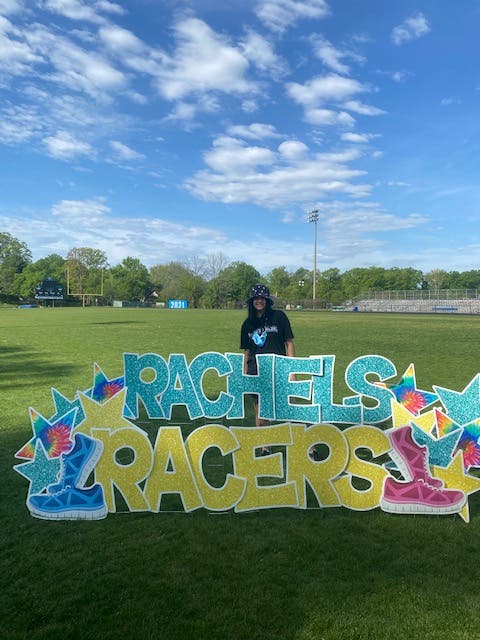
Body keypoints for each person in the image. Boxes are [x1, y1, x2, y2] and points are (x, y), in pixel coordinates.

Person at [240, 283, 295, 455]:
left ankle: (307, 444)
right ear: (252, 301)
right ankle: (265, 446)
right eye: (256, 298)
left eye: (262, 298)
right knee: (260, 409)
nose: (259, 301)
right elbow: (247, 351)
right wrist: (244, 374)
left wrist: (292, 371)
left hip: (279, 368)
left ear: (267, 300)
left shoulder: (279, 317)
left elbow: (289, 343)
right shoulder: (248, 324)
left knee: (292, 406)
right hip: (256, 370)